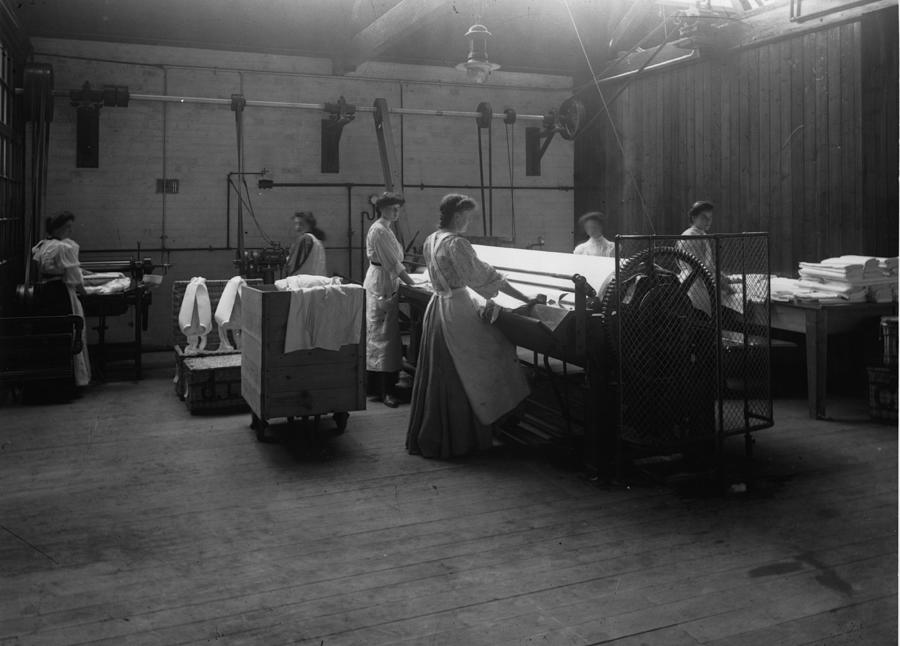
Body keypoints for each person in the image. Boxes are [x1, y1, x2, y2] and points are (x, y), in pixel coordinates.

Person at [406, 194, 538, 459]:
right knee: (495, 351)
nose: (469, 221)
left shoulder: (432, 239)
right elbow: (484, 277)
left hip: (439, 308)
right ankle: (489, 422)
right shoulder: (457, 243)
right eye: (467, 216)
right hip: (456, 311)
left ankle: (460, 429)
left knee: (448, 369)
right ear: (457, 216)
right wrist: (526, 298)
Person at [364, 191, 415, 408]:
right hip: (381, 284)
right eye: (392, 208)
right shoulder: (379, 231)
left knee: (385, 337)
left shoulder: (386, 228)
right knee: (381, 338)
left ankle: (380, 387)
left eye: (398, 208)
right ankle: (385, 391)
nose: (396, 212)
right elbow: (394, 264)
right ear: (381, 208)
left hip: (385, 282)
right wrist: (413, 283)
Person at [31, 211, 91, 386]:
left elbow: (46, 269)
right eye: (67, 227)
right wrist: (85, 292)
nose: (70, 231)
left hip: (44, 294)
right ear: (57, 228)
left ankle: (49, 380)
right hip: (61, 295)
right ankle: (70, 381)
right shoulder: (65, 247)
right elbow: (74, 278)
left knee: (50, 336)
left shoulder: (42, 245)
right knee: (72, 334)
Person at [285, 211, 327, 276]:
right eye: (296, 224)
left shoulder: (305, 239)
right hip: (316, 282)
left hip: (303, 282)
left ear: (310, 225)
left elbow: (292, 265)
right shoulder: (317, 241)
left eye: (301, 224)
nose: (297, 227)